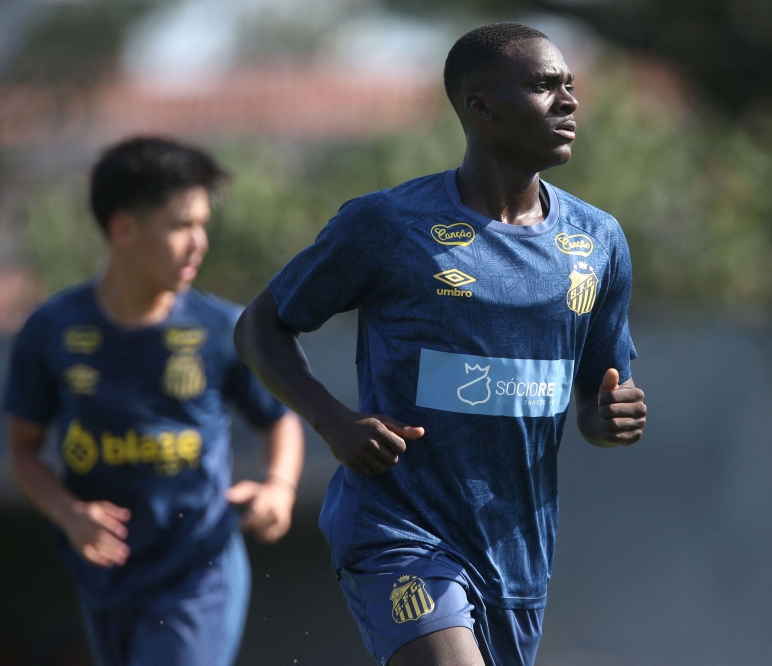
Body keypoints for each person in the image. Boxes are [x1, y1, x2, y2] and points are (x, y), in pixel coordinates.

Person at [234, 21, 648, 666]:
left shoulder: (599, 240)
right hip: (398, 527)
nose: (568, 101)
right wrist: (333, 421)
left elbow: (595, 399)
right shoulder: (387, 224)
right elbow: (260, 325)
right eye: (543, 86)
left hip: (517, 547)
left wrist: (610, 417)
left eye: (569, 85)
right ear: (479, 107)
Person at [4, 137, 305, 666]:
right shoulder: (51, 329)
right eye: (181, 225)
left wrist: (279, 489)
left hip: (198, 567)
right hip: (106, 573)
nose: (199, 243)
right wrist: (70, 513)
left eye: (203, 224)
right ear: (124, 229)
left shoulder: (222, 329)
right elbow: (24, 449)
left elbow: (279, 420)